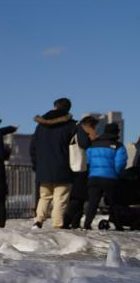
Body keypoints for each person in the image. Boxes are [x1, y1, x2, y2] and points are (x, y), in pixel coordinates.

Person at [29, 97, 76, 229]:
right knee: (60, 199)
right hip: (63, 167)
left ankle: (38, 221)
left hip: (43, 168)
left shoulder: (40, 126)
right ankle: (57, 225)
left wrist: (36, 165)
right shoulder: (71, 125)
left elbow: (32, 147)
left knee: (44, 197)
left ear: (55, 107)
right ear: (68, 109)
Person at [82, 122, 128, 230]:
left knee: (93, 202)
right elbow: (120, 163)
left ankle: (87, 224)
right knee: (114, 203)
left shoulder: (93, 144)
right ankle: (118, 225)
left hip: (94, 178)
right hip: (110, 179)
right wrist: (116, 174)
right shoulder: (118, 146)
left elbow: (87, 161)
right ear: (117, 132)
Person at [64, 115, 97, 229]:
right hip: (78, 169)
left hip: (72, 167)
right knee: (78, 197)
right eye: (93, 126)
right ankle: (67, 219)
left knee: (79, 197)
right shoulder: (81, 130)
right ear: (88, 125)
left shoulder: (72, 130)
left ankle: (75, 222)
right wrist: (91, 138)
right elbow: (84, 144)